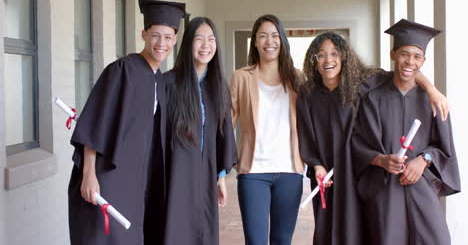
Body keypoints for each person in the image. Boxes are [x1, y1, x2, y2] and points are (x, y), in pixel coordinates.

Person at [297, 31, 449, 245]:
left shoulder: (361, 83)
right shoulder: (308, 92)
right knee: (328, 230)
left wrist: (432, 90)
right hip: (328, 176)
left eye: (334, 53)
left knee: (361, 228)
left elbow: (405, 71)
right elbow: (306, 133)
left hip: (357, 171)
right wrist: (316, 166)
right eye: (321, 55)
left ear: (344, 57)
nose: (328, 60)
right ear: (313, 60)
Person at [68, 0, 185, 245]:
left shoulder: (159, 81)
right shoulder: (123, 70)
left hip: (136, 181)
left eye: (167, 37)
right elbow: (96, 122)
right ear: (144, 34)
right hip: (108, 176)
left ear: (175, 39)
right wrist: (89, 174)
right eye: (155, 35)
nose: (160, 43)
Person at [352, 19, 460, 244]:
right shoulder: (374, 98)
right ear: (393, 54)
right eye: (404, 54)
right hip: (385, 189)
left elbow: (444, 149)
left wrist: (423, 160)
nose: (410, 61)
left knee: (436, 239)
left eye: (417, 56)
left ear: (423, 61)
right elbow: (358, 144)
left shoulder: (433, 102)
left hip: (421, 186)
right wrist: (382, 160)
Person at [231, 14, 304, 245]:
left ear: (282, 40)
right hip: (253, 171)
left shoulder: (297, 78)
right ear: (255, 42)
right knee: (255, 240)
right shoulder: (242, 77)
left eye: (274, 35)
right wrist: (219, 166)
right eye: (263, 36)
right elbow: (228, 120)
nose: (269, 41)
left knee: (283, 240)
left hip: (290, 170)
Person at [163, 17, 237, 245]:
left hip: (205, 173)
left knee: (203, 232)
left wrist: (220, 177)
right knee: (175, 229)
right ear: (187, 44)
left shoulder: (218, 86)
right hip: (175, 171)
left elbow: (222, 134)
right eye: (199, 39)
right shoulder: (169, 83)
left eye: (211, 39)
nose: (206, 45)